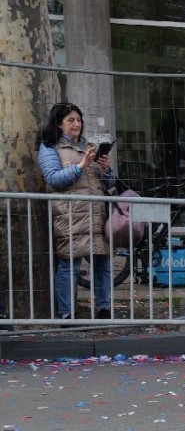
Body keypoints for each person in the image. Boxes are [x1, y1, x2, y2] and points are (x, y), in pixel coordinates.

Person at [37, 103, 117, 320]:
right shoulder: (50, 147)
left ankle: (103, 309)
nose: (76, 124)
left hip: (96, 213)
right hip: (70, 215)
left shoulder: (88, 145)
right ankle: (66, 314)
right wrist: (80, 165)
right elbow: (53, 179)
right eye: (71, 120)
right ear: (58, 123)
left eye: (79, 120)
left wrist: (105, 169)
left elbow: (108, 182)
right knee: (69, 265)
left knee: (103, 263)